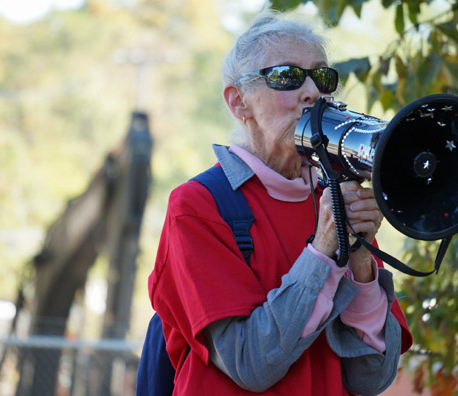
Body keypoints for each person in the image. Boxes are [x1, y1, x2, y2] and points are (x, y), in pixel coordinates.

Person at [148, 10, 412, 396]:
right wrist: (323, 249)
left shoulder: (330, 198)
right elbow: (251, 364)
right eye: (286, 76)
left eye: (322, 77)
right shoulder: (196, 206)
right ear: (239, 103)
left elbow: (371, 377)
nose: (312, 93)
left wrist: (359, 258)